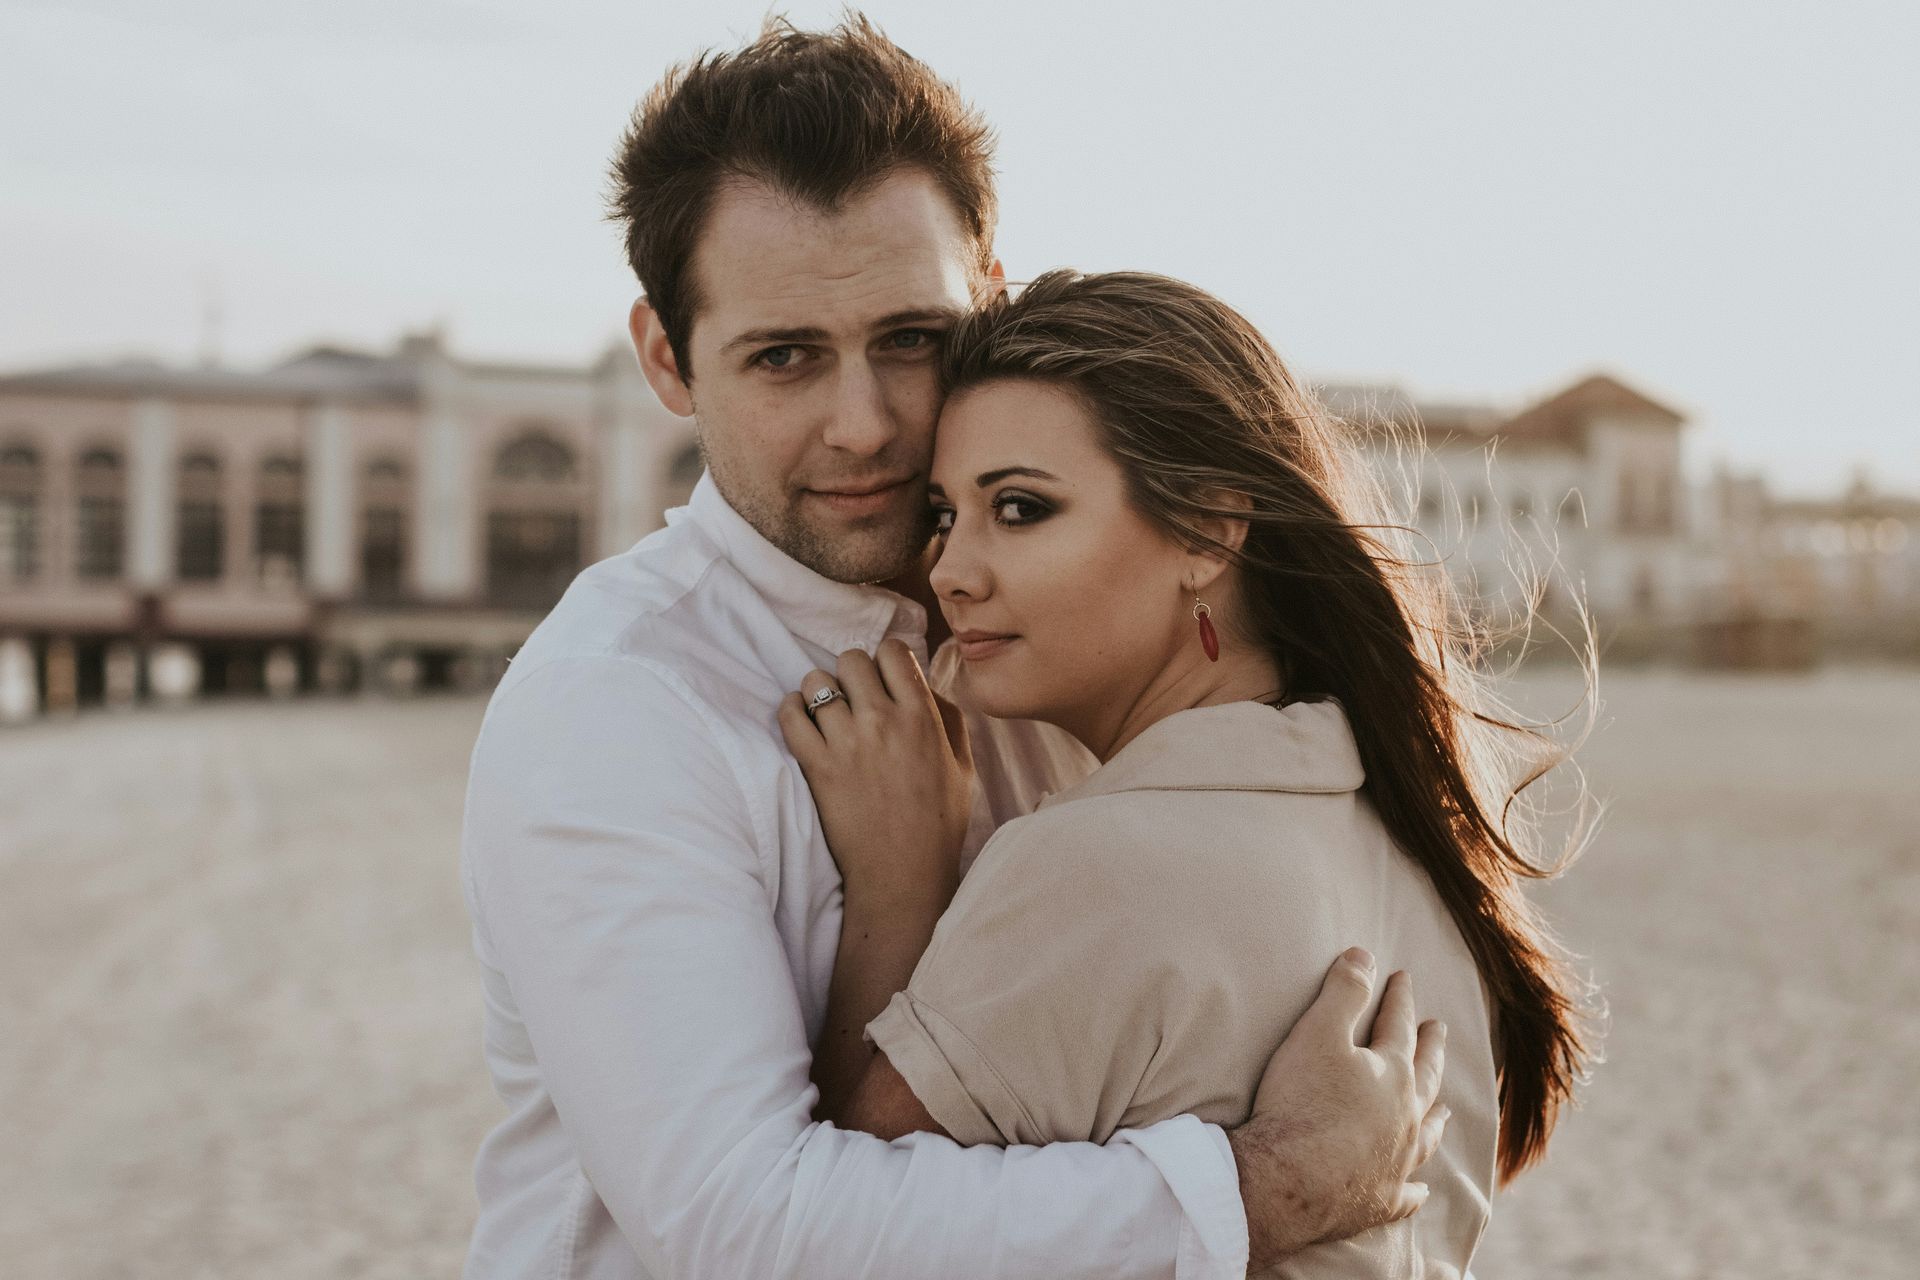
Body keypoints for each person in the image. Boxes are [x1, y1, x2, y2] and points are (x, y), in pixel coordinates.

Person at [460, 18, 1449, 1280]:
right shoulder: (617, 706)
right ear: (668, 358)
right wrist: (1267, 1184)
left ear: (988, 293)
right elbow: (738, 1226)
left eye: (910, 340)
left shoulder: (1044, 632)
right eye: (785, 358)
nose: (864, 426)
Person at [778, 270, 1597, 1277]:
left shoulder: (1102, 863)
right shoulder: (1411, 841)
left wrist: (898, 885)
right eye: (945, 515)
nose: (952, 569)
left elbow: (824, 1237)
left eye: (1023, 507)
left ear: (1209, 531)